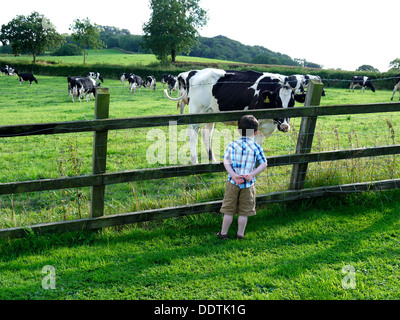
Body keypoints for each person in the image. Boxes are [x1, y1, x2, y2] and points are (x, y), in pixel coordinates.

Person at [216, 115, 268, 240]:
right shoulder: (256, 147)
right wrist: (251, 174)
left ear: (239, 130)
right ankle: (240, 234)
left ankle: (223, 233)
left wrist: (233, 175)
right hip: (248, 184)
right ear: (255, 132)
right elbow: (264, 164)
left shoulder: (232, 145)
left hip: (233, 182)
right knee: (244, 212)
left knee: (228, 210)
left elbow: (226, 162)